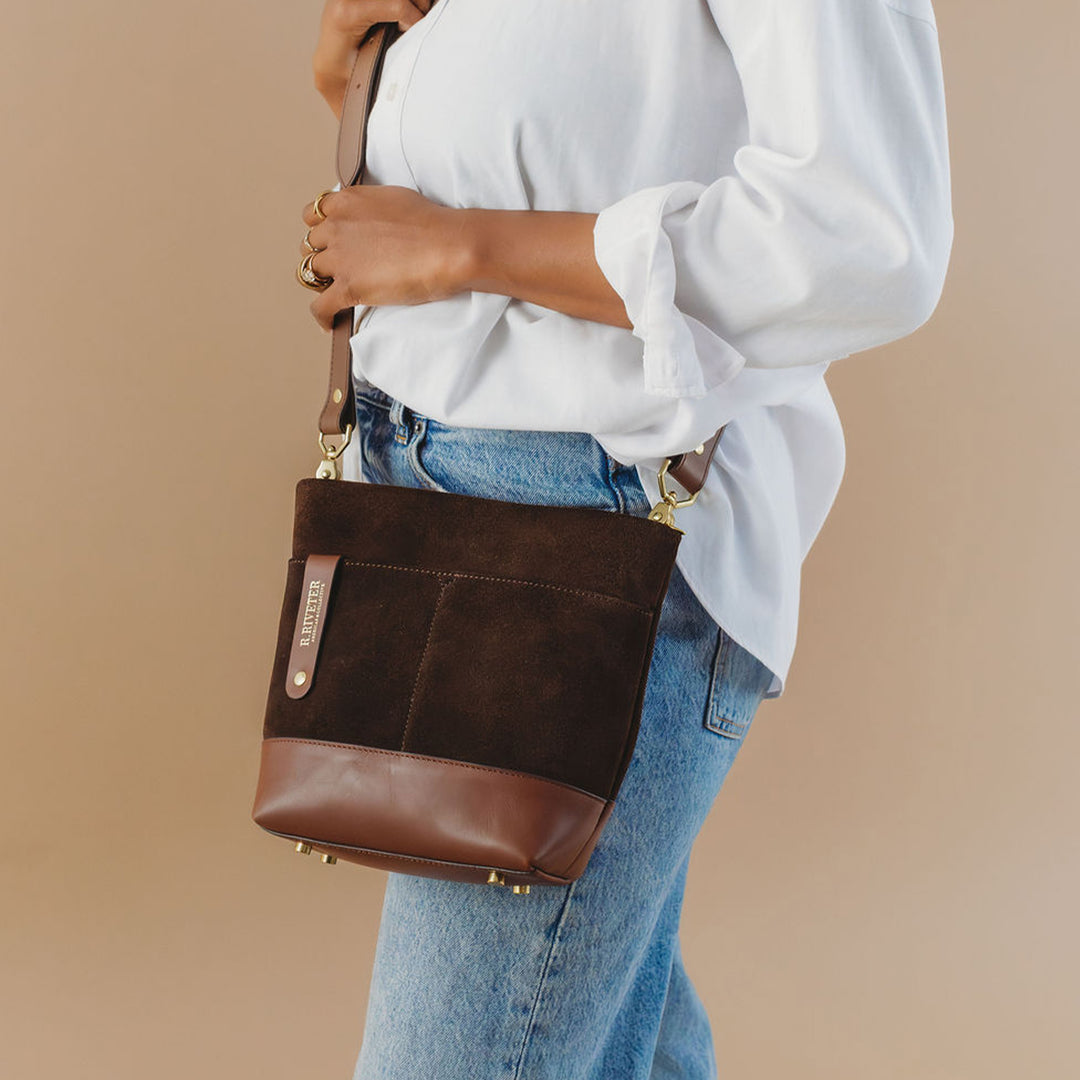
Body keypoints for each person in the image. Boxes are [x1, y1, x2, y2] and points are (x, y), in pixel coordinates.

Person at [297, 2, 953, 1076]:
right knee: (617, 1046)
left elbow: (866, 234)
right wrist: (359, 79)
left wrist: (466, 247)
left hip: (597, 529)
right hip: (426, 495)